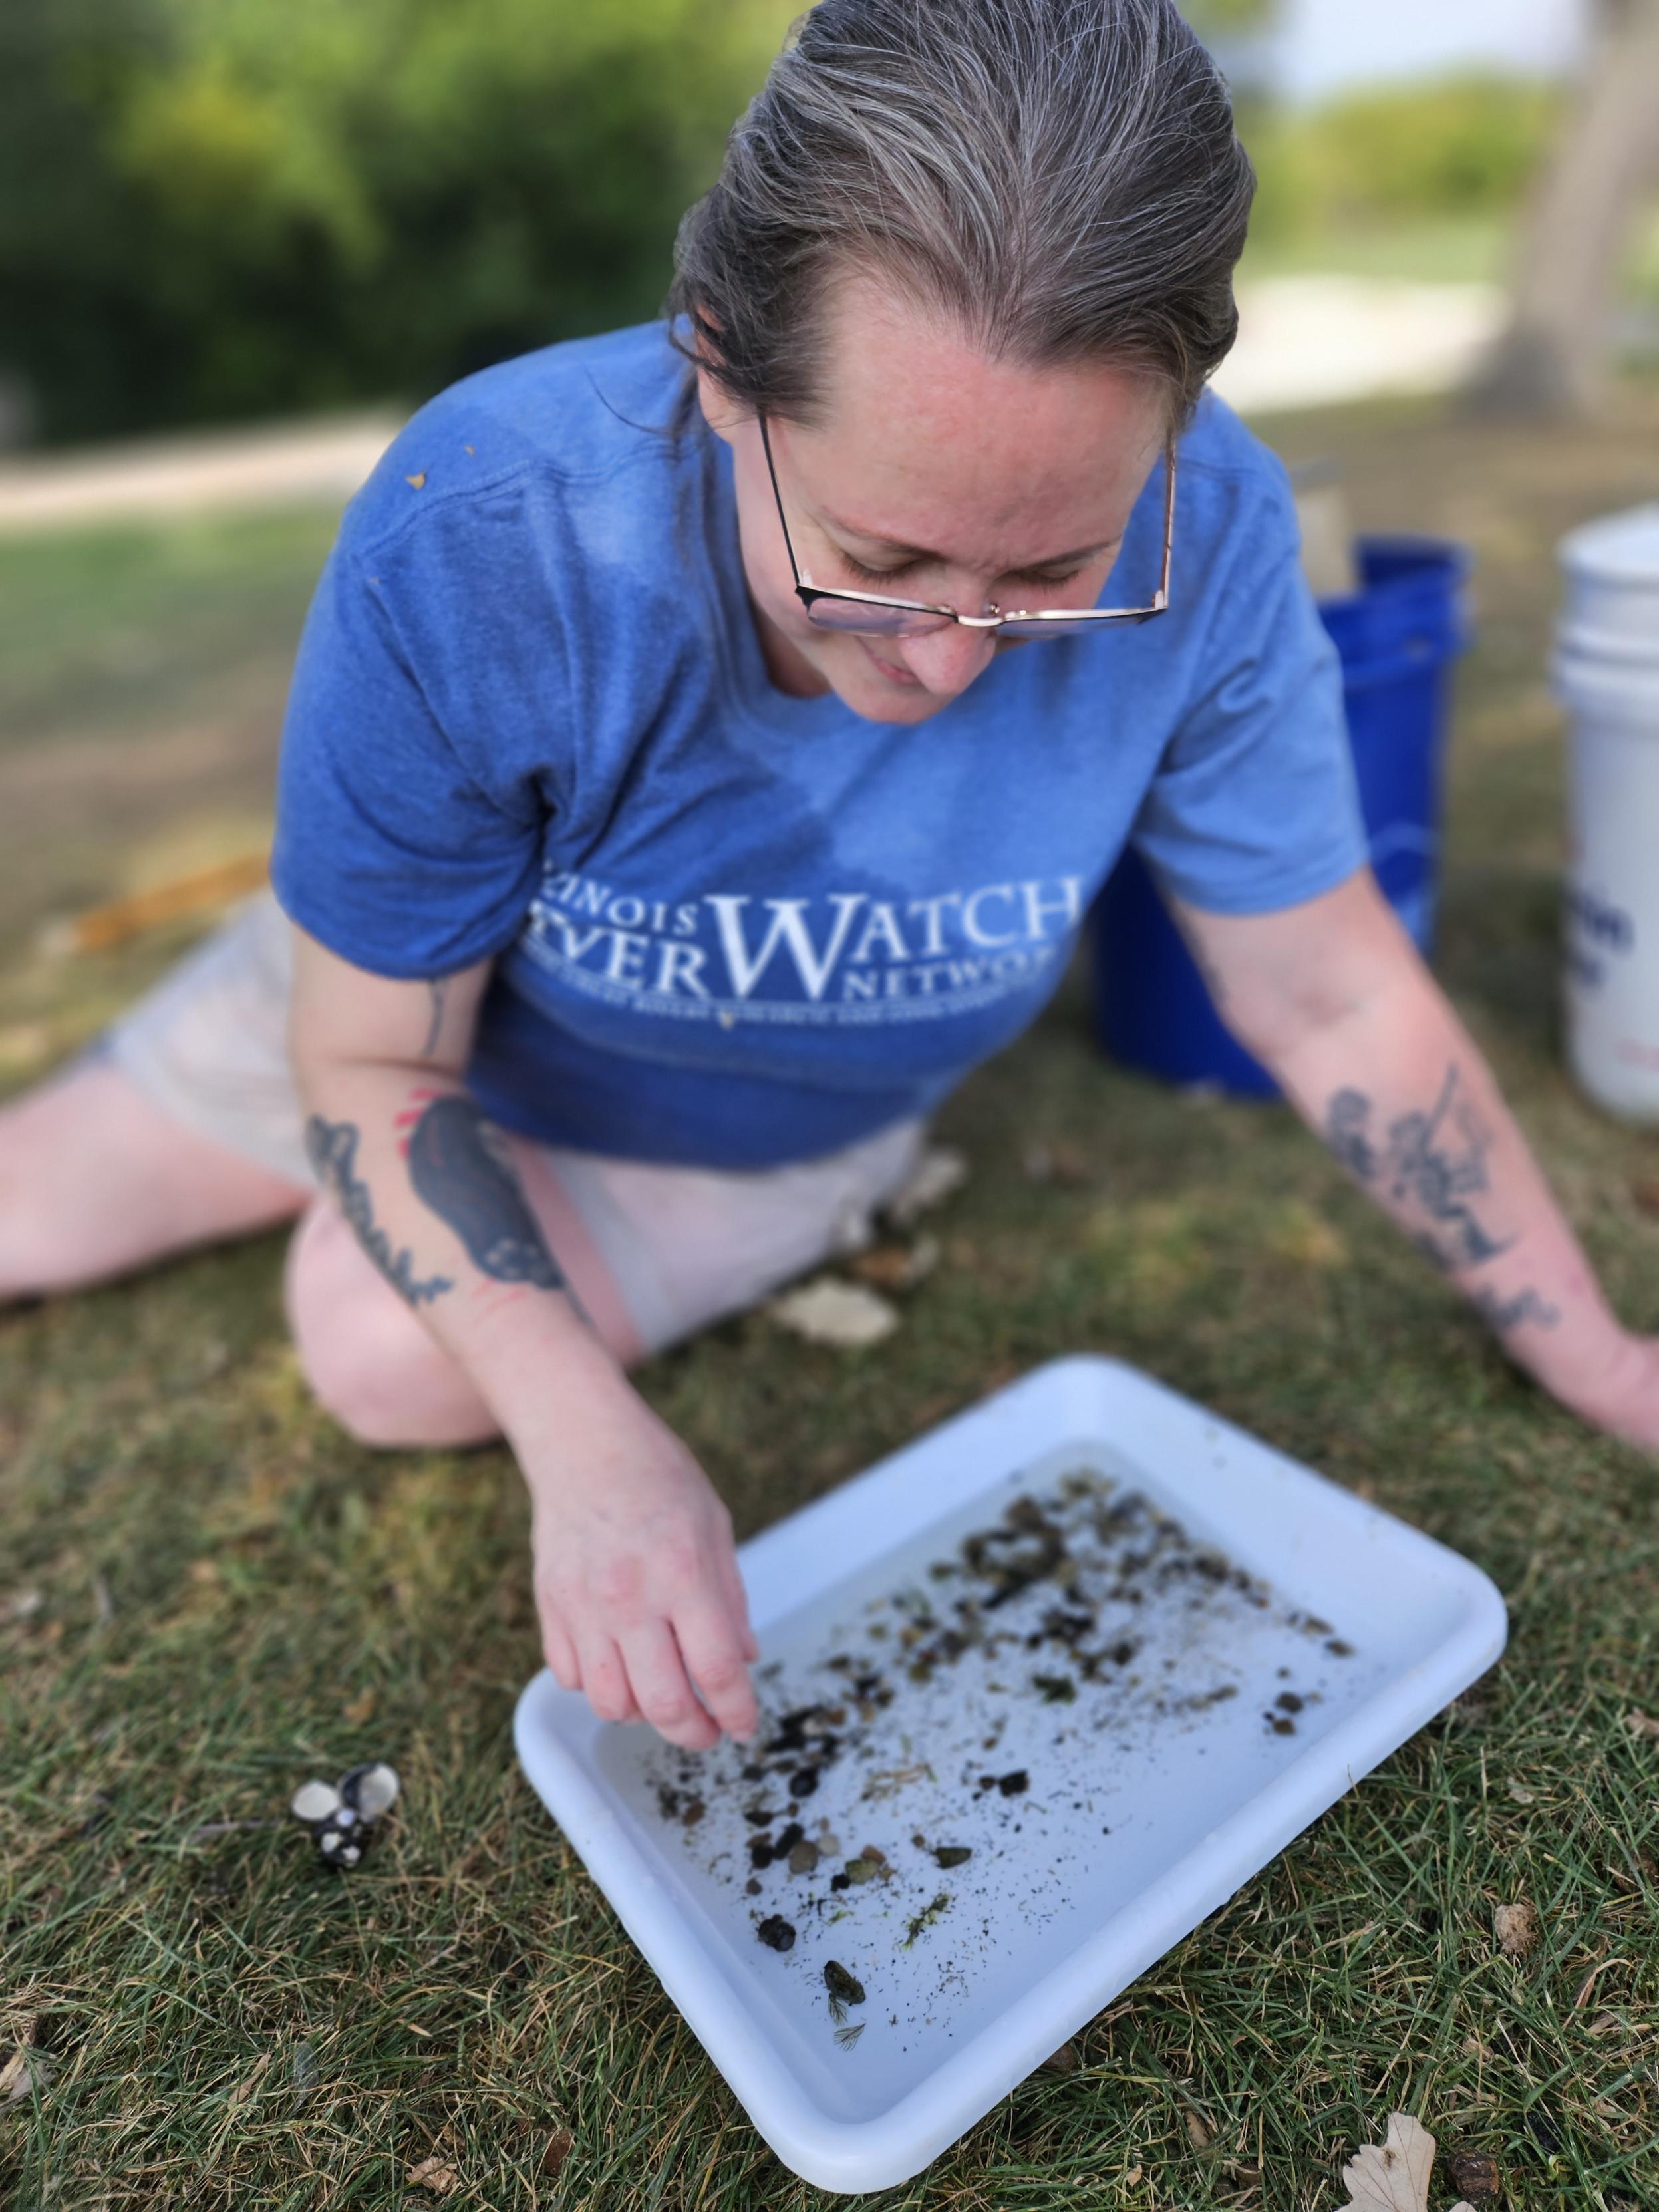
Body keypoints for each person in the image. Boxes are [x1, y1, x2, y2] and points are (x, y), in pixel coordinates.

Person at [3, 0, 1655, 1760]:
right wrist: (599, 1451)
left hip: (769, 1107)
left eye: (1052, 566)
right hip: (406, 985)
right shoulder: (488, 520)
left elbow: (1328, 990)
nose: (950, 666)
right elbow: (374, 1058)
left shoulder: (1224, 532)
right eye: (877, 558)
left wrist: (1602, 1354)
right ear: (718, 364)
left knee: (384, 1347)